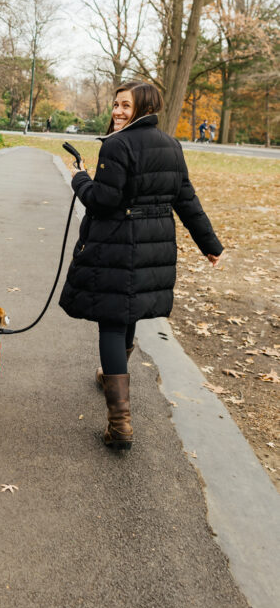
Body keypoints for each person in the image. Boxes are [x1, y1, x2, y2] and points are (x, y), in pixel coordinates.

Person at [59, 81, 223, 451]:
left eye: (125, 105)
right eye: (116, 104)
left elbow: (103, 201)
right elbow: (186, 198)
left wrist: (80, 180)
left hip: (117, 246)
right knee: (127, 311)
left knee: (112, 322)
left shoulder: (117, 145)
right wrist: (209, 244)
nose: (117, 111)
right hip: (153, 247)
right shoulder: (171, 145)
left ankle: (120, 423)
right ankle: (110, 376)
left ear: (145, 107)